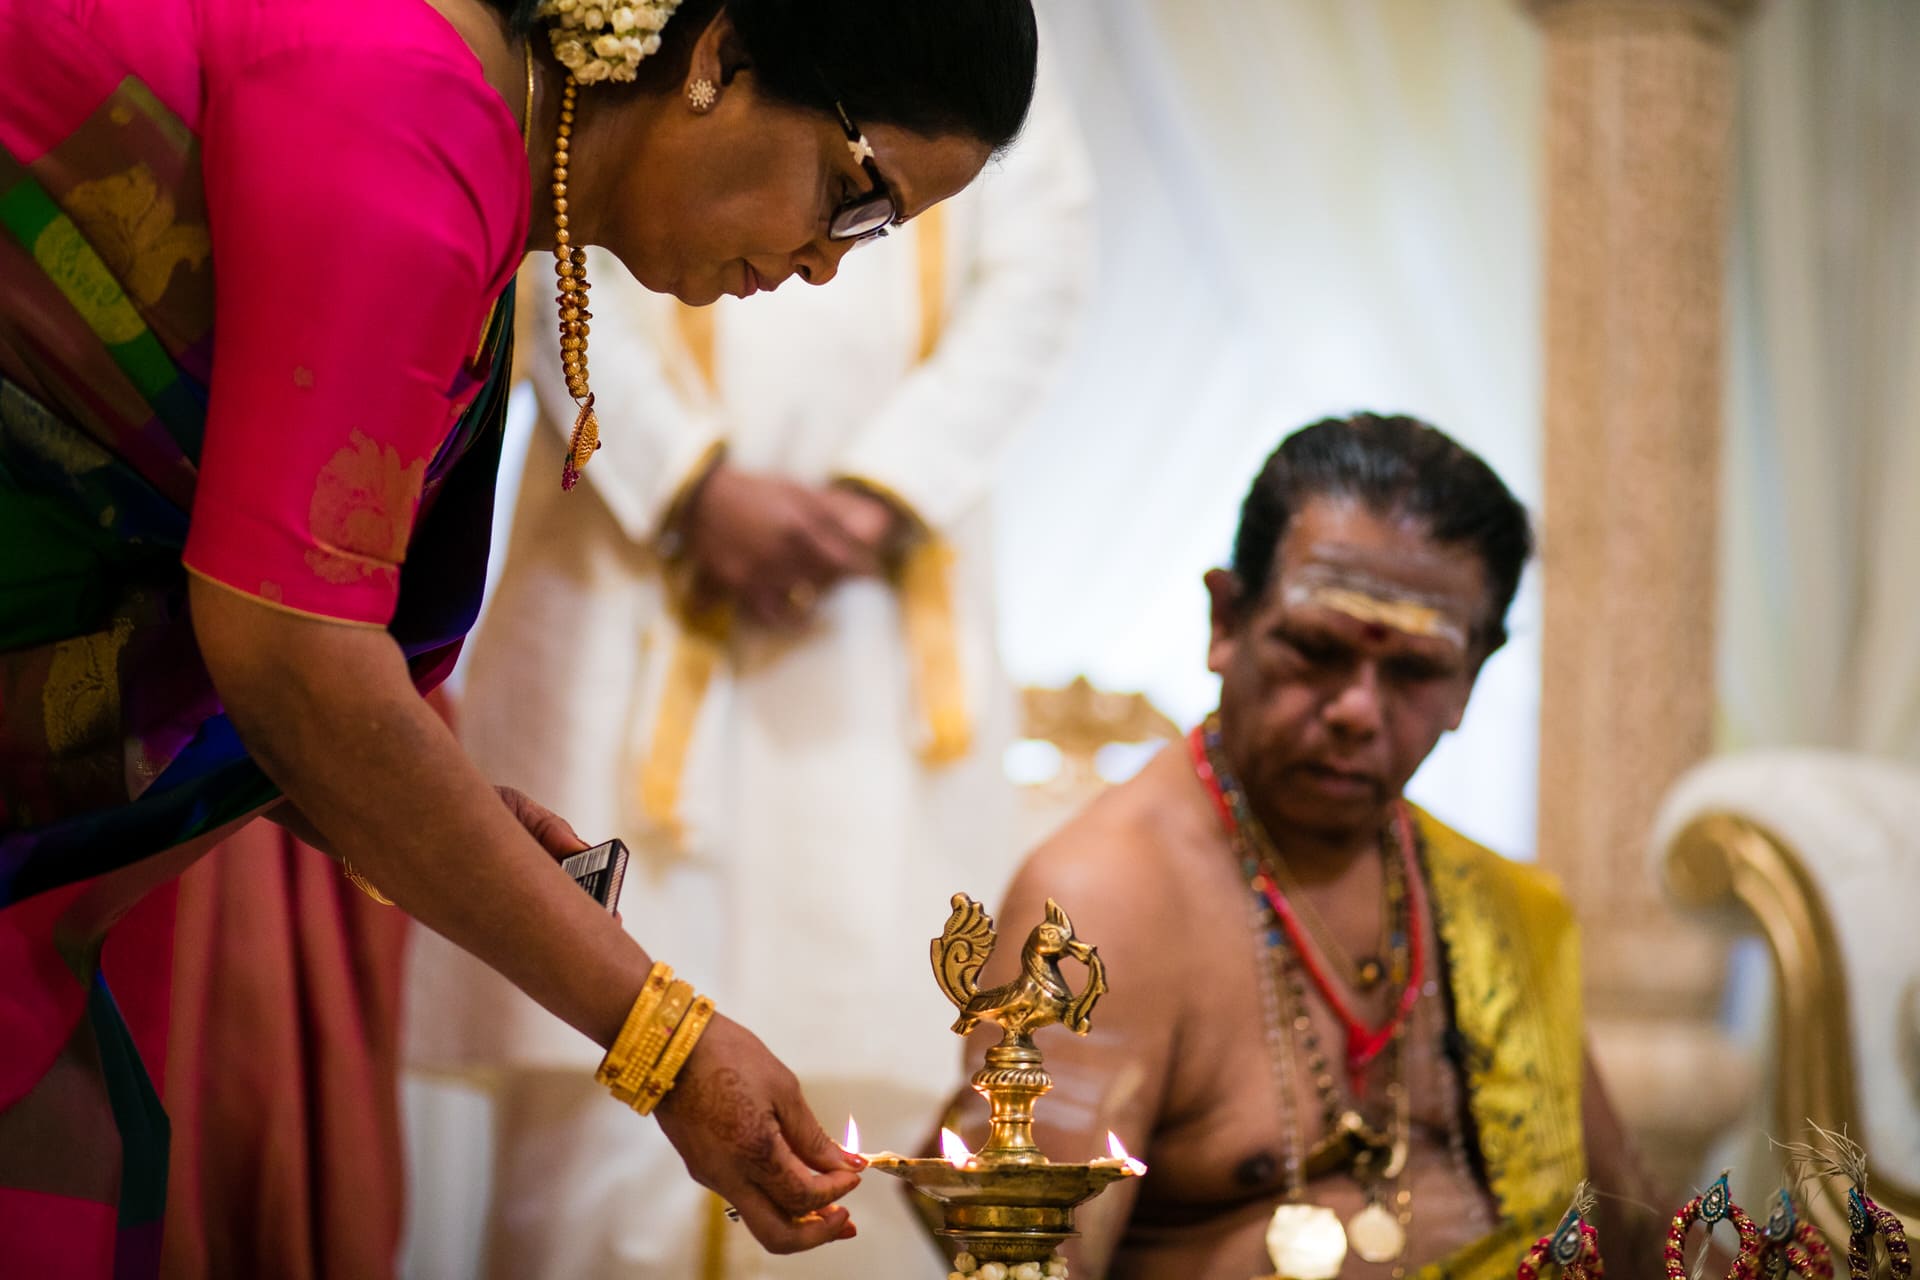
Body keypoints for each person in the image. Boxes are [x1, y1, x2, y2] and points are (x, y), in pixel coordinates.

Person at [0, 0, 1040, 1271]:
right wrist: (663, 1038)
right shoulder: (410, 109)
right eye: (855, 195)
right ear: (717, 56)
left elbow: (294, 650)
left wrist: (451, 813)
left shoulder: (478, 169)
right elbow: (292, 658)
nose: (830, 262)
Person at [403, 41, 1091, 1276]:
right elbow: (571, 192)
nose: (825, 266)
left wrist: (889, 489)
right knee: (584, 1144)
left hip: (880, 615)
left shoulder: (976, 48)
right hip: (634, 562)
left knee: (873, 1104)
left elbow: (1040, 276)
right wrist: (685, 479)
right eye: (845, 203)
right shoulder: (671, 44)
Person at [939, 415, 1662, 1279]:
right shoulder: (1106, 902)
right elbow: (1019, 1266)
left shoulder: (1503, 906)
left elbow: (1625, 1226)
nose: (1358, 709)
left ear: (1470, 678)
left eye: (1415, 670)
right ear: (1227, 621)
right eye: (1316, 649)